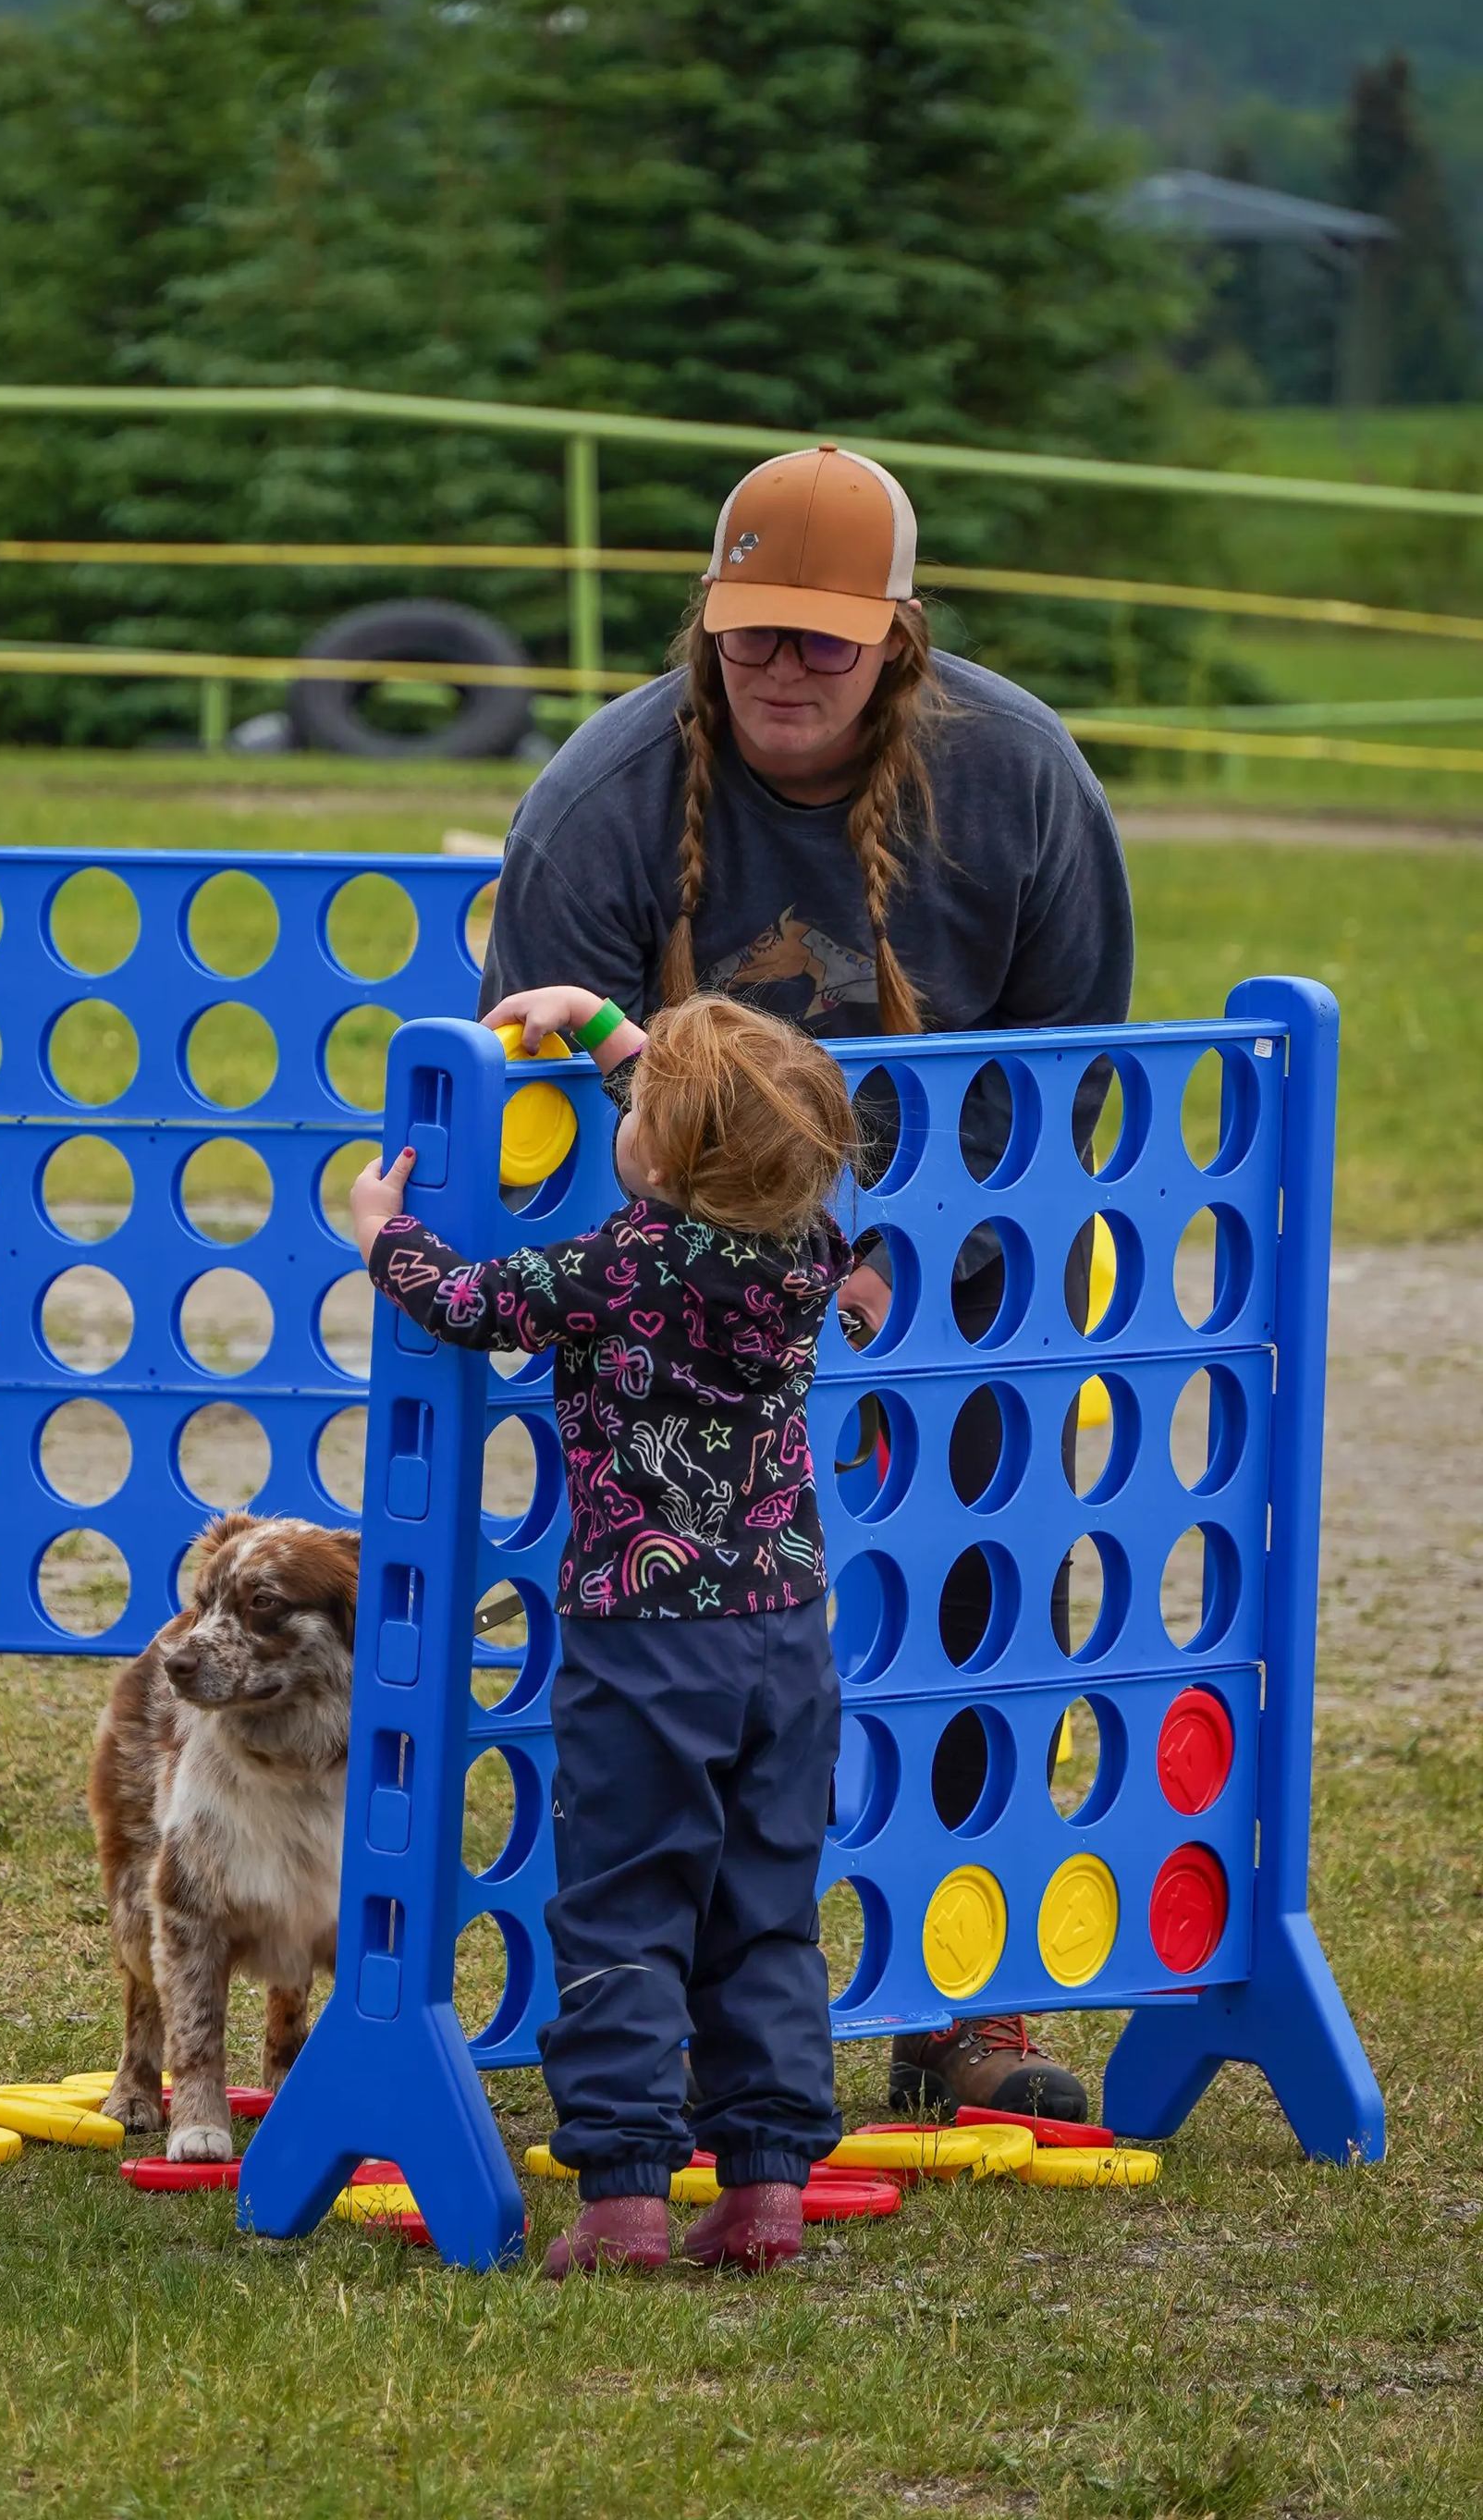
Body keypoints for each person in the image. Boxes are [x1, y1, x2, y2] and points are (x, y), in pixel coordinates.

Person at [477, 442, 1134, 2123]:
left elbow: (1067, 1079)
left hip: (960, 1270)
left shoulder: (1024, 779)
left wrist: (918, 1264)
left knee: (980, 1605)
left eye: (822, 640)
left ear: (898, 637)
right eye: (751, 632)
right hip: (682, 1296)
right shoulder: (602, 794)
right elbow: (539, 1082)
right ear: (707, 622)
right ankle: (664, 2015)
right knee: (671, 1661)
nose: (782, 668)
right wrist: (747, 1260)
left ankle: (966, 1997)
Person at [351, 990, 857, 2276]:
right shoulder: (806, 1242)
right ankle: (766, 2190)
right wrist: (609, 1036)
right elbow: (714, 1135)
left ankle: (627, 2196)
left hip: (647, 1642)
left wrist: (381, 1236)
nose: (623, 1114)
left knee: (626, 1907)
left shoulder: (610, 1271)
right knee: (764, 1910)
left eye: (636, 1107)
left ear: (662, 1153)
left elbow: (463, 1300)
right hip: (786, 1634)